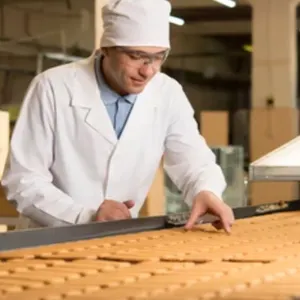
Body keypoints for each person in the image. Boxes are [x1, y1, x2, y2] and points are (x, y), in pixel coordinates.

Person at [1, 0, 234, 232]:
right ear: (107, 48)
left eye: (158, 57)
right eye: (136, 56)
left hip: (119, 238)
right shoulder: (52, 87)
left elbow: (193, 159)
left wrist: (205, 190)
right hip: (49, 237)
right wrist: (86, 216)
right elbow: (23, 180)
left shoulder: (167, 93)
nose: (148, 70)